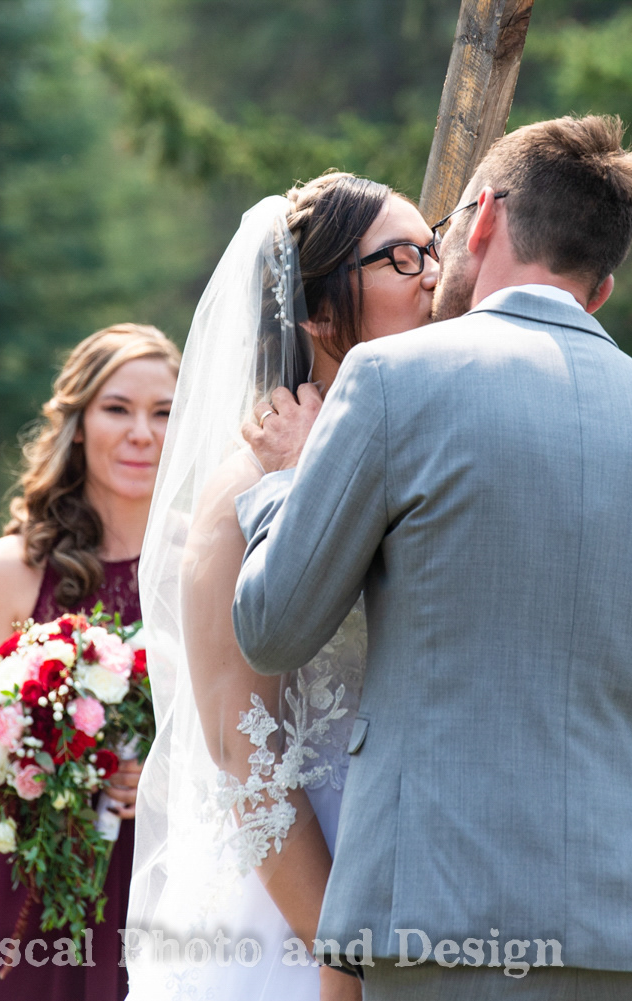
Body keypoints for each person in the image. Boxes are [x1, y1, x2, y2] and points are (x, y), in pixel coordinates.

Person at [232, 114, 632, 1000]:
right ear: (601, 288)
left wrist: (279, 487)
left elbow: (273, 628)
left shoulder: (390, 383)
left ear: (485, 217)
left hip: (437, 931)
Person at [124, 172, 438, 1001]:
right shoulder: (239, 491)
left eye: (436, 248)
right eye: (403, 257)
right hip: (293, 913)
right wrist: (342, 958)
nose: (436, 274)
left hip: (434, 888)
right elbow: (242, 751)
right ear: (319, 310)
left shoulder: (429, 458)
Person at [0, 323, 181, 1001]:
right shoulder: (6, 571)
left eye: (164, 412)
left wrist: (167, 783)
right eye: (118, 408)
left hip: (168, 891)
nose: (142, 431)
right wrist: (76, 775)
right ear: (78, 423)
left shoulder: (209, 560)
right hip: (37, 898)